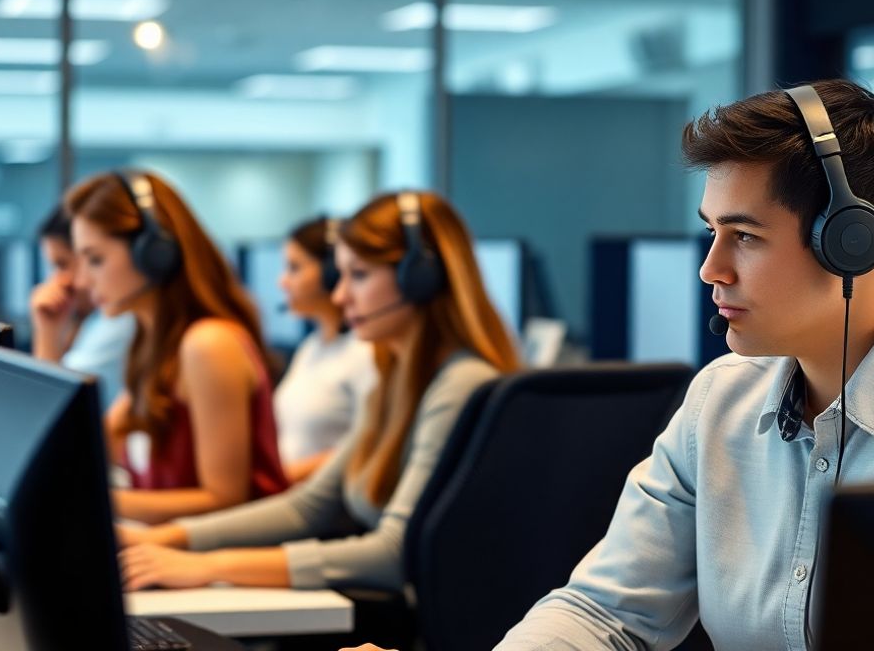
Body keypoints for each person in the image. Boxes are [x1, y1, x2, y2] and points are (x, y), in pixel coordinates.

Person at [359, 79, 874, 651]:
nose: (711, 269)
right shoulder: (720, 401)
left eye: (743, 236)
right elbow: (606, 612)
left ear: (851, 244)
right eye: (711, 233)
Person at [116, 190, 519, 594]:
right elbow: (309, 507)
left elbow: (394, 554)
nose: (341, 296)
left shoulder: (461, 385)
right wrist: (165, 539)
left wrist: (205, 565)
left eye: (359, 275)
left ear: (420, 279)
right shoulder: (395, 384)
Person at [65, 170, 288, 524]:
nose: (81, 281)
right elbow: (87, 451)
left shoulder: (209, 344)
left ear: (154, 253)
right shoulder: (152, 346)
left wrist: (99, 504)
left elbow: (226, 499)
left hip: (224, 565)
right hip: (173, 558)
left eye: (95, 259)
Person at [273, 216, 377, 484]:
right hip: (289, 495)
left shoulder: (366, 353)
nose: (282, 282)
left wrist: (276, 480)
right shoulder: (311, 348)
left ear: (332, 273)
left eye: (294, 268)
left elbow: (367, 449)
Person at [28, 205, 135, 411]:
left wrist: (46, 334)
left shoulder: (122, 321)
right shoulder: (96, 320)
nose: (58, 281)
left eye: (62, 264)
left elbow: (49, 410)